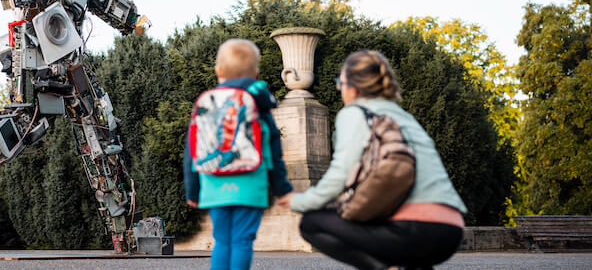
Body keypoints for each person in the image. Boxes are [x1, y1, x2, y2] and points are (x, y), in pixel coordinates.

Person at [277, 50, 467, 269]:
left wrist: (299, 201)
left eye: (340, 83)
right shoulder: (404, 116)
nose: (340, 90)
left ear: (352, 86)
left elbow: (340, 174)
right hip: (451, 230)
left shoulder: (356, 112)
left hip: (413, 228)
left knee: (312, 224)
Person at [184, 38, 294, 270]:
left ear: (218, 71)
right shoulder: (258, 102)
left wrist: (193, 190)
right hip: (250, 185)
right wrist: (282, 189)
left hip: (214, 184)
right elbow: (273, 149)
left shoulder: (207, 103)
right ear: (255, 73)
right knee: (243, 241)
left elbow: (191, 150)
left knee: (222, 241)